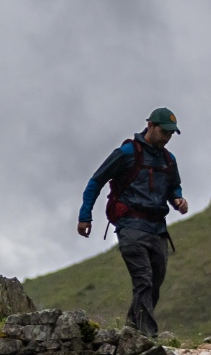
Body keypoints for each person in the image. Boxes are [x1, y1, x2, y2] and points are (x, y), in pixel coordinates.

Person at [77, 107, 189, 337]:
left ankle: (131, 331)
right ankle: (148, 337)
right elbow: (96, 181)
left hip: (158, 230)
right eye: (164, 132)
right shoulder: (127, 153)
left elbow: (173, 187)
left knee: (154, 283)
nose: (167, 138)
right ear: (150, 126)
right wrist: (85, 216)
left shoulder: (169, 160)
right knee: (143, 280)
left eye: (170, 134)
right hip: (131, 226)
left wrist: (178, 199)